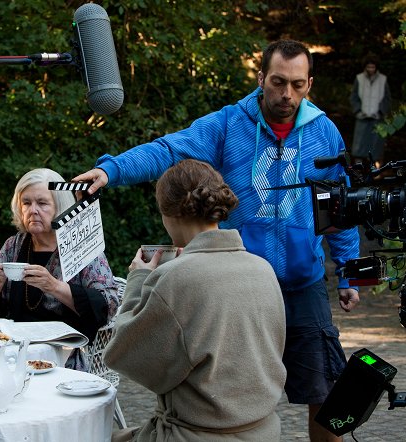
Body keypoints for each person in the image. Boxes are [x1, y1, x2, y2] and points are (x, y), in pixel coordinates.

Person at [74, 40, 360, 441]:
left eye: (297, 85)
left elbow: (343, 206)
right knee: (233, 389)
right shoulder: (230, 124)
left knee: (325, 393)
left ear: (309, 83)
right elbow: (171, 149)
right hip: (240, 285)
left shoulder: (324, 133)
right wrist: (112, 171)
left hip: (302, 284)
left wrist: (348, 272)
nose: (286, 94)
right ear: (261, 78)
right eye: (278, 82)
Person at [104, 159, 286, 441]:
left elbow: (124, 354)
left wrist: (138, 280)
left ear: (168, 214)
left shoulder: (174, 278)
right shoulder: (263, 268)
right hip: (264, 430)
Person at [0, 168, 119, 370]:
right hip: (11, 354)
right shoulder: (13, 246)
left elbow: (109, 304)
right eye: (26, 203)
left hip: (64, 358)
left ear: (59, 206)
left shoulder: (80, 244)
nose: (32, 210)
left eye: (42, 203)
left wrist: (54, 286)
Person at [350, 53, 391, 166]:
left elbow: (387, 99)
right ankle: (358, 169)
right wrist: (358, 111)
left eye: (372, 67)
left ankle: (375, 169)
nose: (370, 69)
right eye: (368, 67)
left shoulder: (383, 79)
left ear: (376, 67)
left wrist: (381, 112)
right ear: (365, 67)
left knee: (375, 145)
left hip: (377, 119)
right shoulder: (359, 78)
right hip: (362, 117)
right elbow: (354, 97)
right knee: (359, 145)